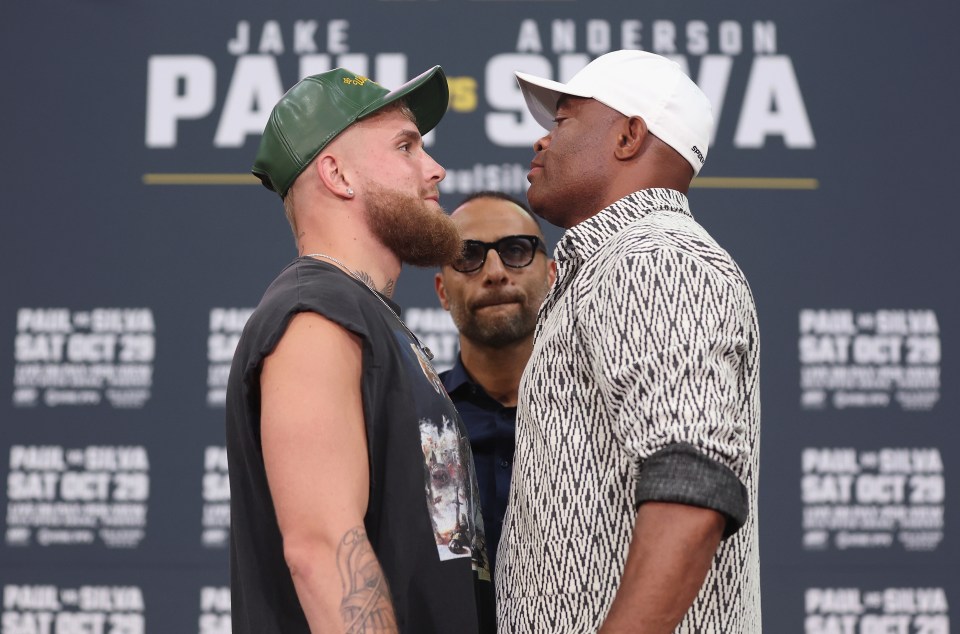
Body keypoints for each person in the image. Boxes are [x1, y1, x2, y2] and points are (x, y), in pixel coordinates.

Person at [497, 50, 762, 633]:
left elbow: (690, 490)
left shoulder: (654, 260)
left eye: (562, 121)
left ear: (629, 137)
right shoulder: (611, 265)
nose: (542, 141)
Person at [225, 66, 495, 634]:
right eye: (406, 146)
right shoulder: (315, 315)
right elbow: (323, 550)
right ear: (337, 174)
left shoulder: (369, 319)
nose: (436, 169)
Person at [433, 191, 556, 577]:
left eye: (516, 250)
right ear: (441, 291)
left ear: (552, 276)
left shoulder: (599, 415)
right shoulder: (413, 420)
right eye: (468, 256)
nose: (494, 272)